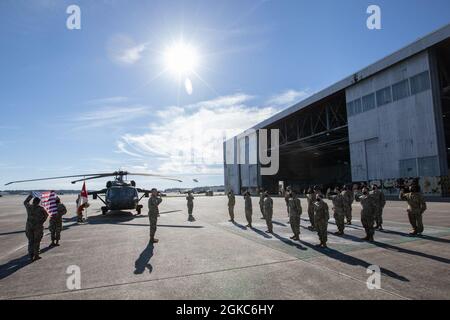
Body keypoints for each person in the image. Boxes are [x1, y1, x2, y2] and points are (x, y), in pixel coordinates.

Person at [24, 195, 48, 261]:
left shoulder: (29, 207)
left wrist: (30, 196)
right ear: (38, 202)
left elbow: (25, 202)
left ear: (33, 201)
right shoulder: (41, 208)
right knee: (37, 241)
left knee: (30, 241)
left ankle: (31, 255)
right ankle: (36, 255)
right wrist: (42, 221)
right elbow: (46, 215)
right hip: (38, 227)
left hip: (29, 226)